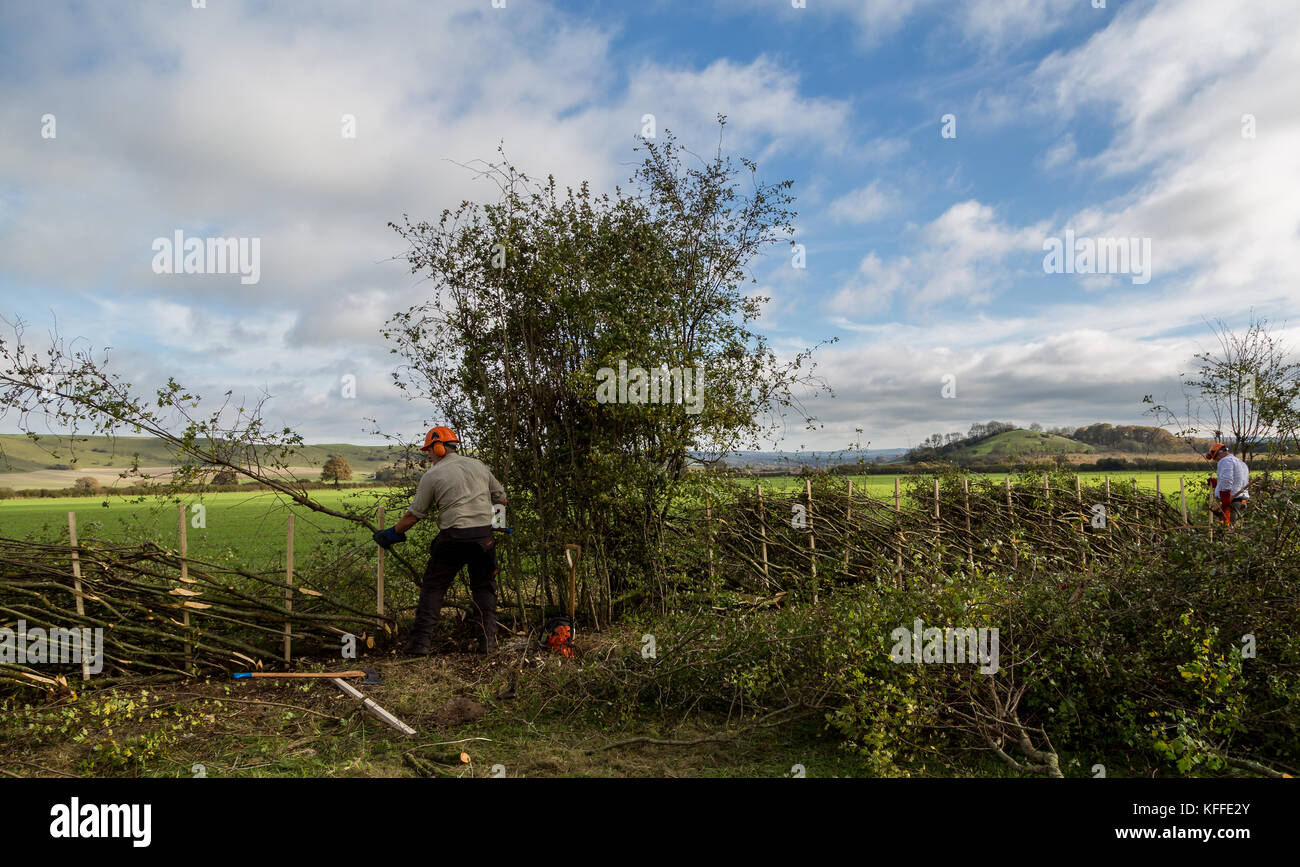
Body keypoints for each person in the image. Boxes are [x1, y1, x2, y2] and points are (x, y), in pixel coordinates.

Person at [373, 426, 507, 654]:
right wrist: (496, 524)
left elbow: (413, 515)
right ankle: (488, 642)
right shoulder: (479, 466)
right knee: (484, 589)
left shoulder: (433, 475)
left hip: (453, 539)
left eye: (429, 451)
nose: (428, 455)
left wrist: (392, 534)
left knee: (433, 589)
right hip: (484, 539)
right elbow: (502, 499)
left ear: (438, 448)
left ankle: (419, 645)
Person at [1205, 442, 1249, 526]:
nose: (1217, 461)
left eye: (1216, 459)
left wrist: (1225, 498)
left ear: (1219, 454)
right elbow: (1238, 481)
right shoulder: (1241, 463)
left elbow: (1227, 479)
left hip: (1232, 502)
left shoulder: (1225, 461)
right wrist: (1217, 484)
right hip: (1243, 501)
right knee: (1237, 528)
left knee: (1228, 530)